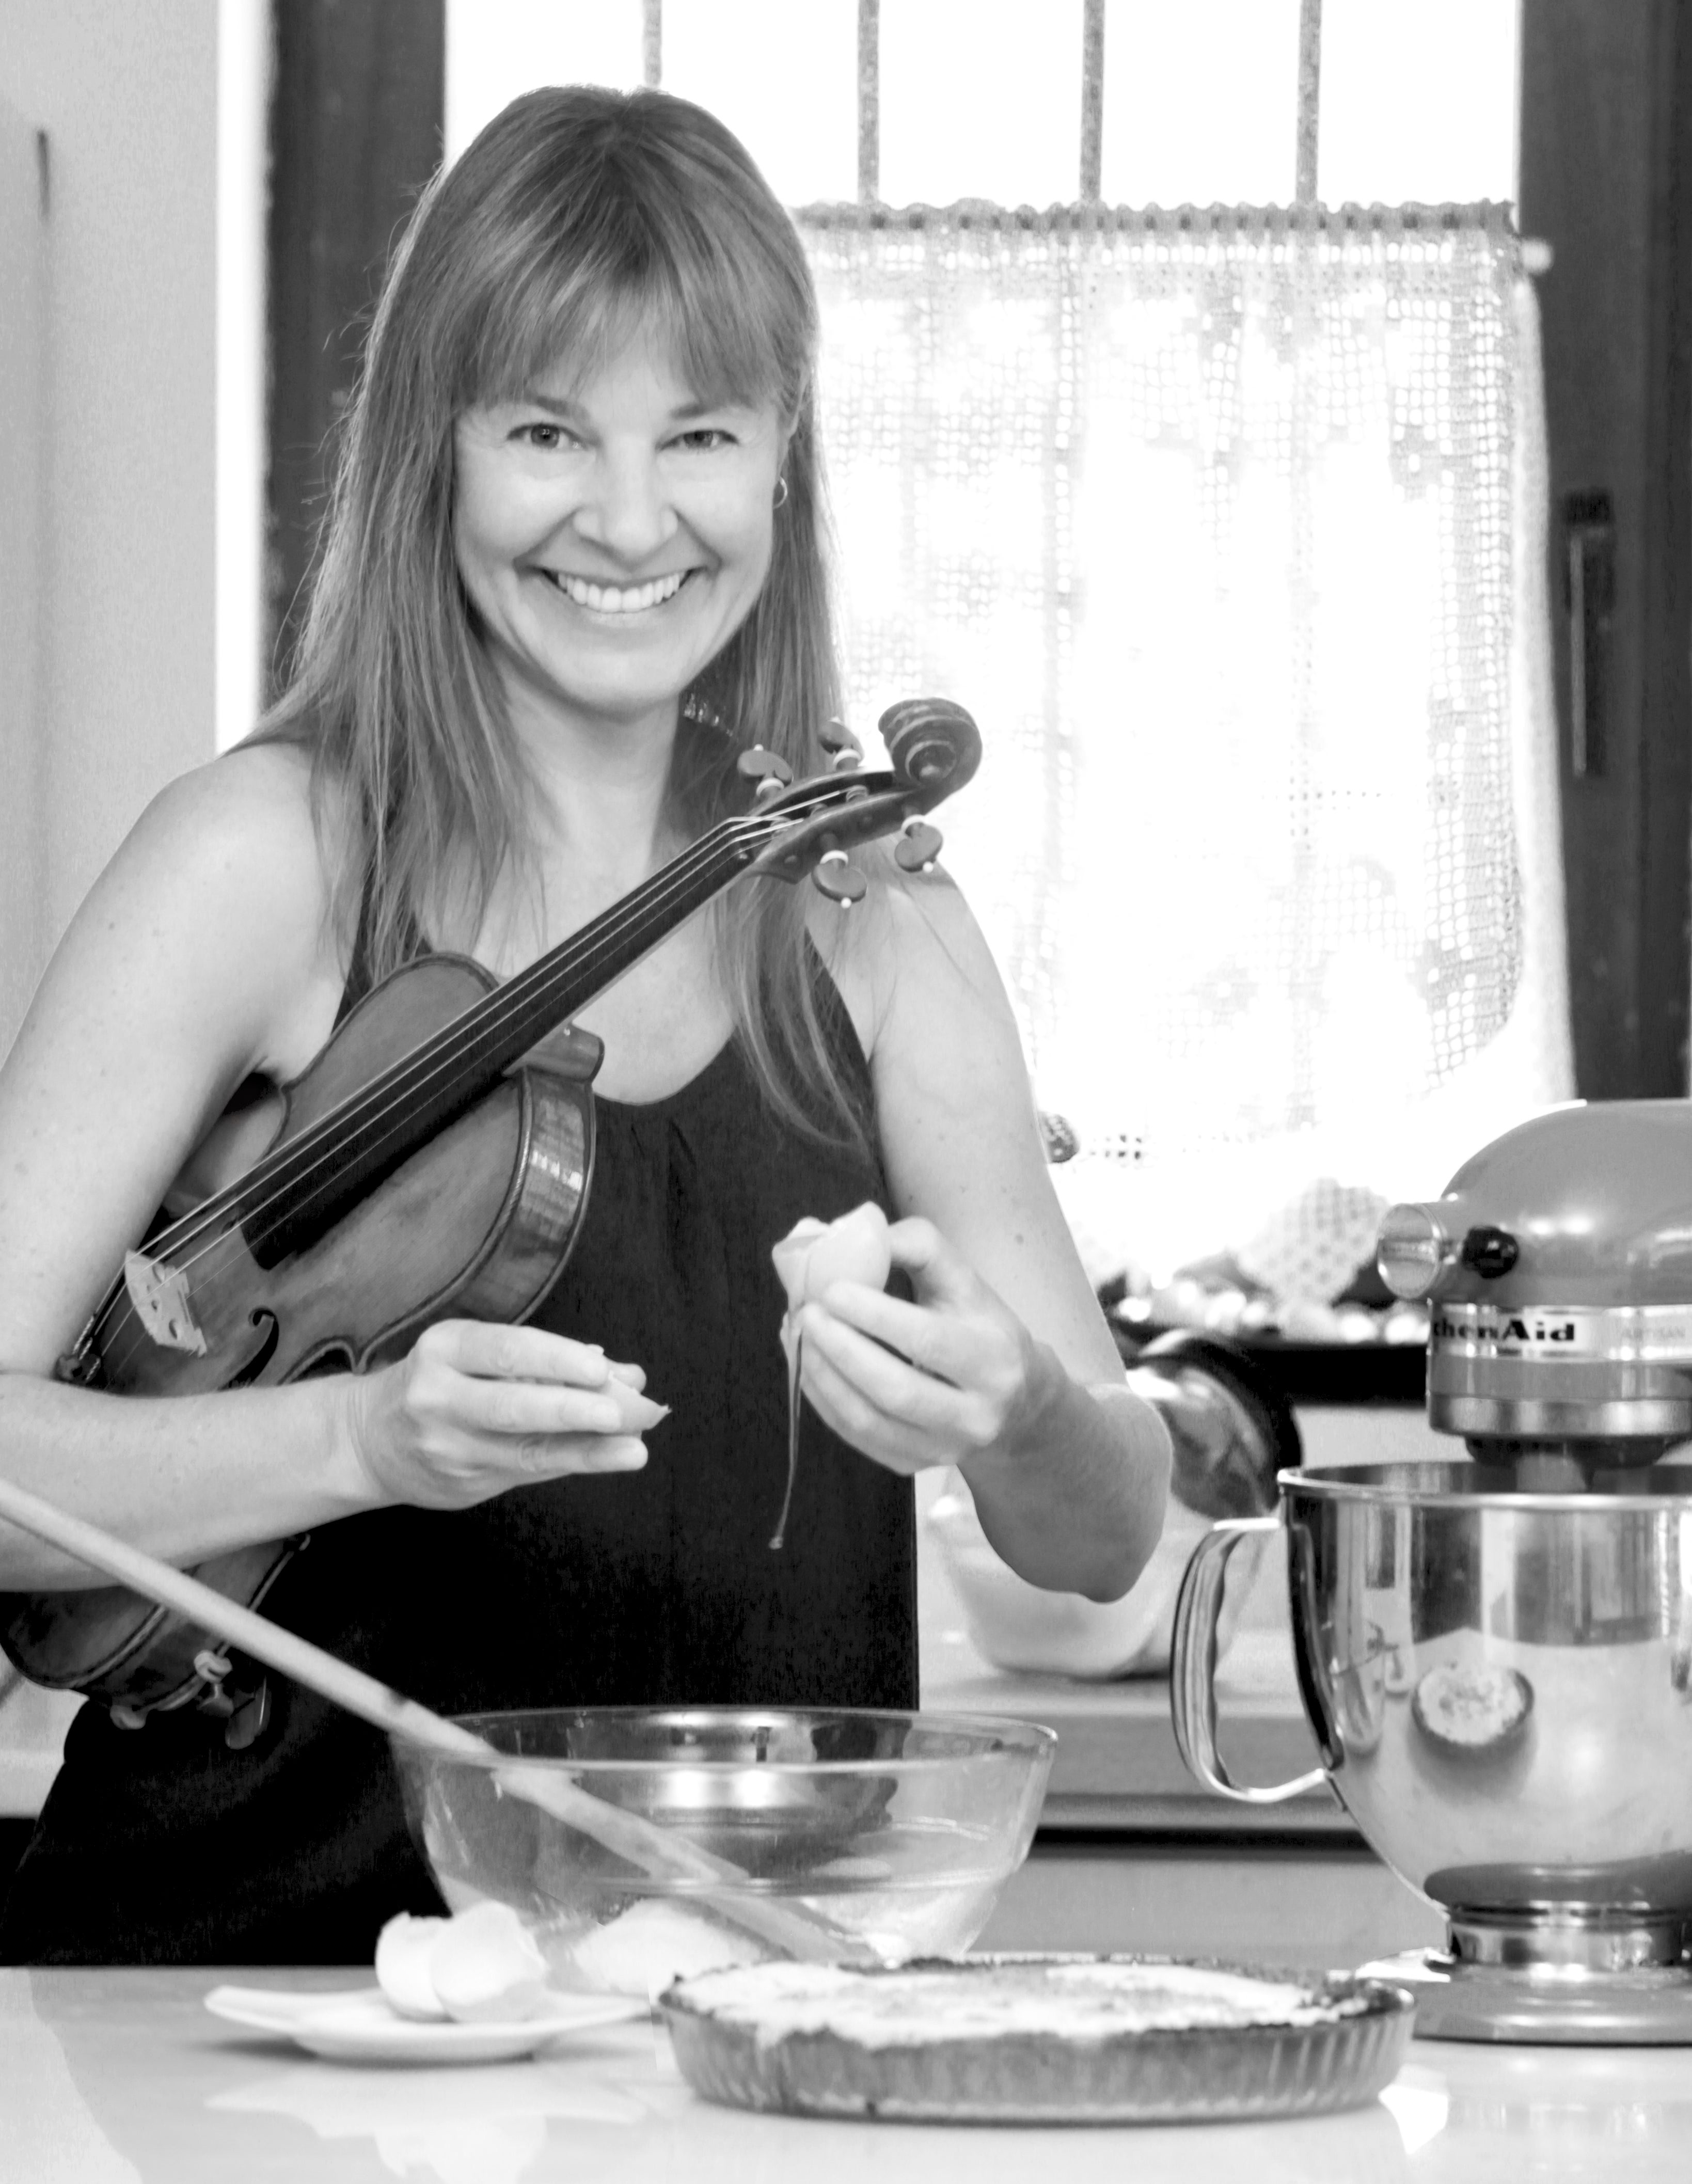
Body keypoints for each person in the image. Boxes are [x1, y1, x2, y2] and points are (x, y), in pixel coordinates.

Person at [0, 86, 1169, 1965]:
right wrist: (361, 1437)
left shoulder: (878, 922)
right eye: (549, 432)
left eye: (698, 434)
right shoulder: (270, 857)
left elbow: (1103, 1536)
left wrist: (1021, 1406)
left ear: (781, 456)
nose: (630, 522)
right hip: (225, 2007)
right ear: (436, 455)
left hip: (730, 2034)